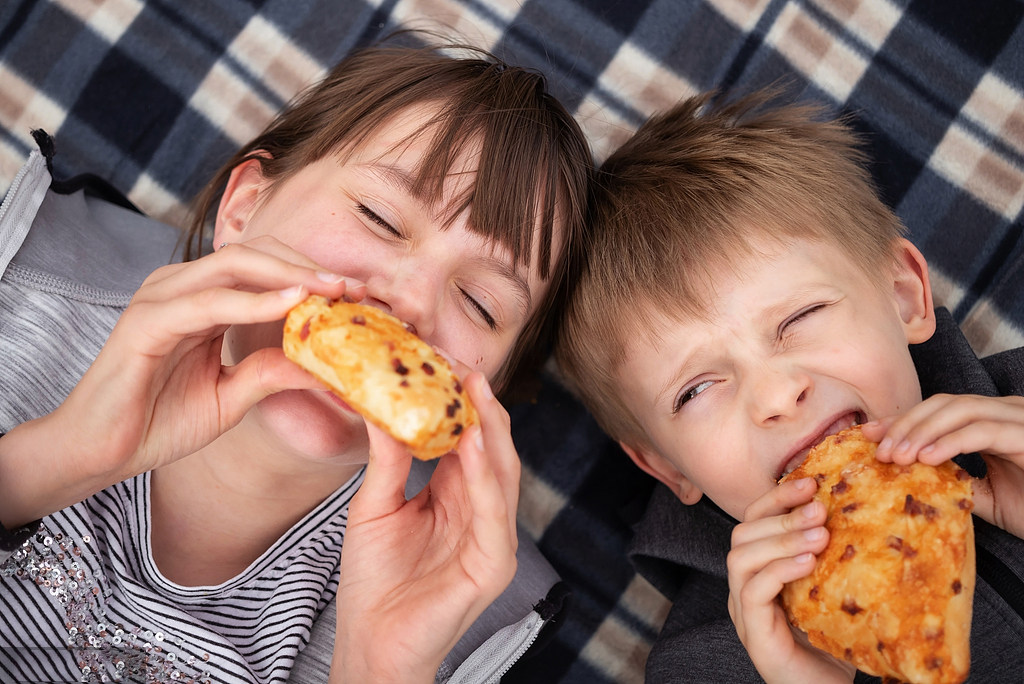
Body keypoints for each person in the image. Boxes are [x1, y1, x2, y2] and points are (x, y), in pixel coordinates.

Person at [0, 40, 591, 683]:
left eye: (480, 303)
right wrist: (38, 468)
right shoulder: (22, 277)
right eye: (379, 217)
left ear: (489, 387)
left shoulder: (469, 607)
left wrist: (374, 668)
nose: (410, 304)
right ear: (245, 206)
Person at [555, 90, 1024, 682]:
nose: (778, 396)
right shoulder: (709, 666)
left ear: (904, 297)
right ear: (666, 467)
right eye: (695, 389)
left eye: (798, 318)